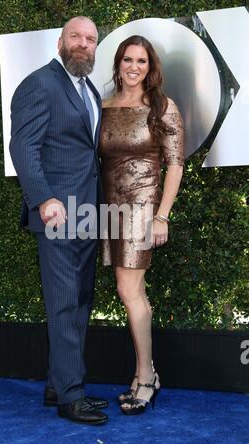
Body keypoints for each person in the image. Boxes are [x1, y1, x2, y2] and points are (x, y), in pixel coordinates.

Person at [9, 16, 108, 425]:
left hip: (87, 213)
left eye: (90, 39)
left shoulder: (90, 92)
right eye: (76, 37)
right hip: (57, 214)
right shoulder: (40, 84)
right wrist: (45, 198)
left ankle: (58, 382)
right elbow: (23, 146)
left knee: (79, 302)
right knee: (65, 303)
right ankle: (71, 396)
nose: (83, 44)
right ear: (60, 43)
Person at [99, 35, 184, 415]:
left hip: (142, 208)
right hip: (108, 209)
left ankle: (147, 378)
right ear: (118, 63)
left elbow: (176, 164)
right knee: (133, 292)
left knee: (128, 289)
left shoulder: (163, 107)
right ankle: (143, 374)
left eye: (142, 61)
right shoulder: (102, 105)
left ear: (151, 68)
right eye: (128, 59)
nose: (134, 67)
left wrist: (162, 215)